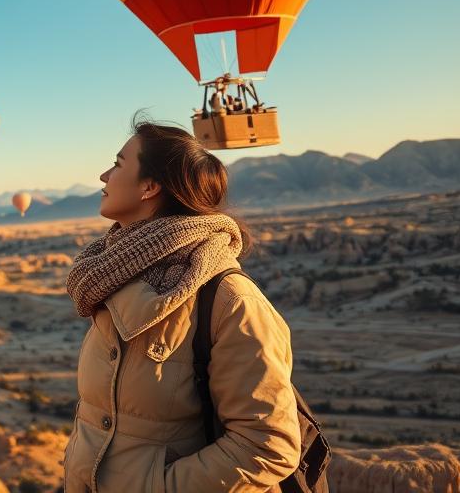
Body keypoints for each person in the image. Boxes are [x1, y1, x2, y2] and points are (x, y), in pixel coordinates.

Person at [63, 120, 300, 492]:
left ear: (150, 186)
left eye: (118, 163)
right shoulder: (114, 276)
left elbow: (267, 447)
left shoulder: (229, 300)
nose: (103, 175)